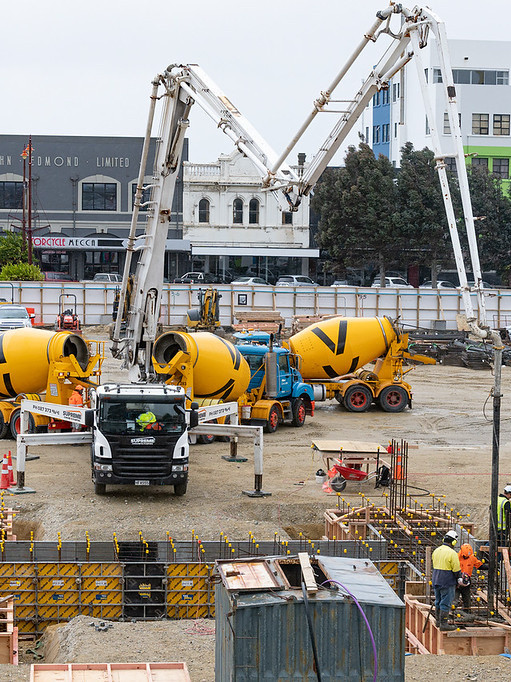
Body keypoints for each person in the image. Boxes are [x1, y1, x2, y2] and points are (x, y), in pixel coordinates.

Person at [432, 529, 461, 631]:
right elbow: (456, 569)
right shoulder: (452, 553)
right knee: (446, 603)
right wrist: (459, 578)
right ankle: (444, 624)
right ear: (453, 541)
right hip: (447, 581)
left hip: (436, 580)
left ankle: (438, 622)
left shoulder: (436, 550)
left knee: (438, 601)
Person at [456, 543, 483, 612]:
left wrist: (490, 566)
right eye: (465, 556)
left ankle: (467, 613)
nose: (466, 558)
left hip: (466, 581)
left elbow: (479, 565)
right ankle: (452, 614)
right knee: (454, 599)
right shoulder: (456, 557)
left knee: (467, 599)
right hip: (456, 581)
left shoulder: (471, 557)